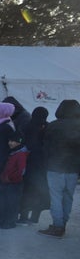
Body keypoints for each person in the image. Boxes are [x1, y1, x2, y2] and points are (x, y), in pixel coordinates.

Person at [38, 99, 80, 238]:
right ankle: (63, 224)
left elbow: (45, 148)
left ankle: (57, 226)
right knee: (68, 198)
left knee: (56, 198)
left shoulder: (53, 126)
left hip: (55, 167)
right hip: (73, 169)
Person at [18, 107, 50, 225]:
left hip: (29, 163)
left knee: (27, 191)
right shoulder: (48, 126)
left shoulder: (28, 126)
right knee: (39, 191)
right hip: (43, 165)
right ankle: (35, 217)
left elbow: (24, 143)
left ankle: (23, 217)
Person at [0, 132, 29, 229]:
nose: (10, 143)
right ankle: (5, 219)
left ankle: (10, 222)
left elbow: (21, 171)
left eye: (13, 141)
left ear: (19, 142)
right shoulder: (13, 153)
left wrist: (10, 178)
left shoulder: (21, 154)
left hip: (15, 183)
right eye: (10, 141)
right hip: (8, 182)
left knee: (12, 203)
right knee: (6, 201)